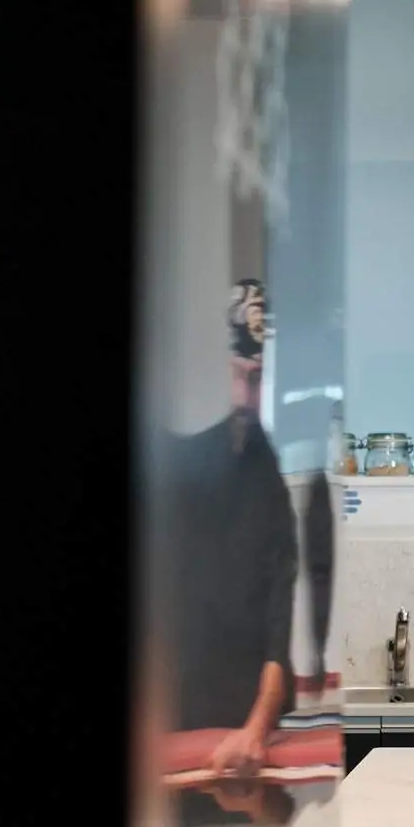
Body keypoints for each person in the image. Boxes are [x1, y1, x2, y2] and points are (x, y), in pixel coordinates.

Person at [165, 279, 298, 776]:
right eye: (236, 375)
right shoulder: (167, 460)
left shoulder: (266, 474)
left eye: (257, 379)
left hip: (246, 729)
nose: (245, 396)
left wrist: (255, 729)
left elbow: (277, 625)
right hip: (170, 721)